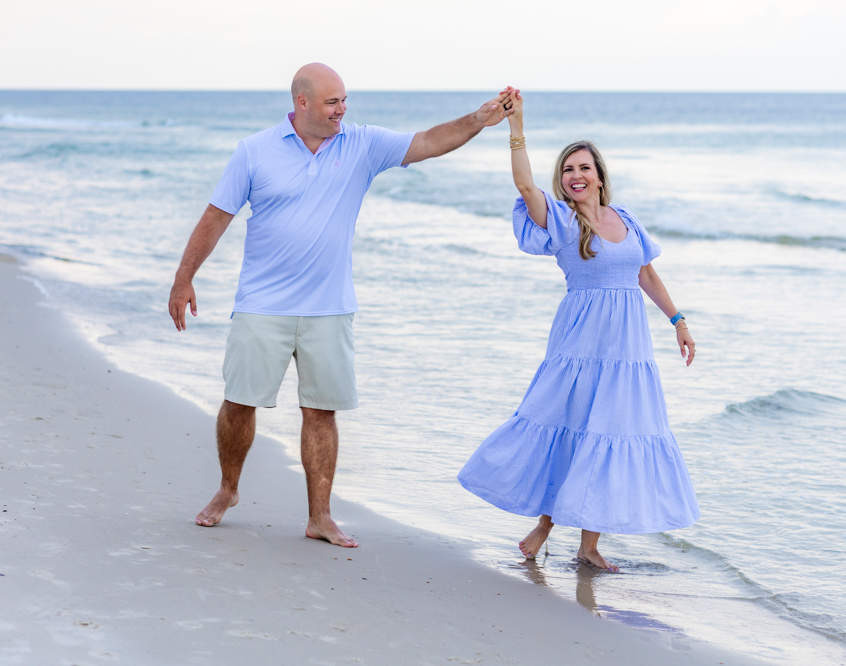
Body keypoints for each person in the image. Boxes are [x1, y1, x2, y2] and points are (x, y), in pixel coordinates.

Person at [168, 63, 513, 547]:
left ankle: (320, 517)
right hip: (262, 304)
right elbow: (216, 216)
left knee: (321, 412)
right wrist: (184, 278)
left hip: (329, 308)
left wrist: (478, 119)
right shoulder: (255, 151)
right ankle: (227, 489)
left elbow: (429, 141)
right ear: (302, 103)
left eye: (345, 100)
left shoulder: (361, 145)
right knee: (240, 402)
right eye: (333, 102)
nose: (342, 110)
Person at [458, 91, 700, 571]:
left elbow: (645, 274)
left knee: (608, 436)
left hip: (627, 351)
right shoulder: (563, 221)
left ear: (600, 175)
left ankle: (589, 545)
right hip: (580, 346)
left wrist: (678, 322)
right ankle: (545, 526)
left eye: (584, 168)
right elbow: (526, 186)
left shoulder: (626, 219)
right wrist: (515, 127)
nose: (576, 176)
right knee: (569, 432)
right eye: (568, 170)